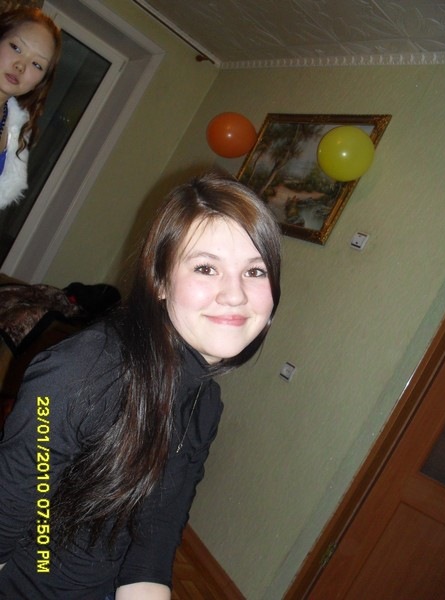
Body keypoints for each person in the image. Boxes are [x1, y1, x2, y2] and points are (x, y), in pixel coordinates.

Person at [0, 172, 282, 599]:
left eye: (255, 271)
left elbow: (158, 530)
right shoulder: (79, 375)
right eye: (206, 268)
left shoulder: (204, 403)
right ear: (161, 282)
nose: (235, 294)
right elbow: (12, 516)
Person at [0, 6, 61, 208]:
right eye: (16, 48)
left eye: (37, 64)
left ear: (40, 82)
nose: (21, 65)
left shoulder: (15, 133)